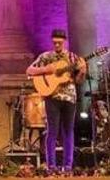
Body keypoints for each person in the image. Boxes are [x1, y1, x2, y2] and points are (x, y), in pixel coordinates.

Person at [26, 29, 85, 171]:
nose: (57, 45)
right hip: (52, 97)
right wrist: (47, 69)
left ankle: (67, 166)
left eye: (59, 43)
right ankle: (51, 165)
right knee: (52, 130)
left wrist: (82, 71)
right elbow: (29, 70)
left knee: (68, 131)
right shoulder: (46, 56)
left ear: (64, 42)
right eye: (54, 43)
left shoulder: (73, 58)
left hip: (70, 97)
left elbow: (78, 81)